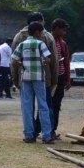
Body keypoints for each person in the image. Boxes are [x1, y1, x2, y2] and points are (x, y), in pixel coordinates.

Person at [12, 12, 58, 140]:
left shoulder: (20, 40)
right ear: (37, 30)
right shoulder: (43, 40)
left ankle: (28, 135)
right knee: (44, 106)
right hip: (40, 78)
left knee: (27, 107)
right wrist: (54, 78)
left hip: (25, 78)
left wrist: (16, 78)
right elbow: (51, 59)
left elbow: (13, 61)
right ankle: (47, 135)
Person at [50, 18, 71, 139]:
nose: (64, 32)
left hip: (60, 77)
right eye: (63, 30)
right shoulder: (47, 40)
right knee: (48, 104)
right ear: (56, 28)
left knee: (57, 104)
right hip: (50, 78)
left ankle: (53, 129)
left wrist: (68, 80)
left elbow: (66, 62)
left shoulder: (63, 44)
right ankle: (44, 129)